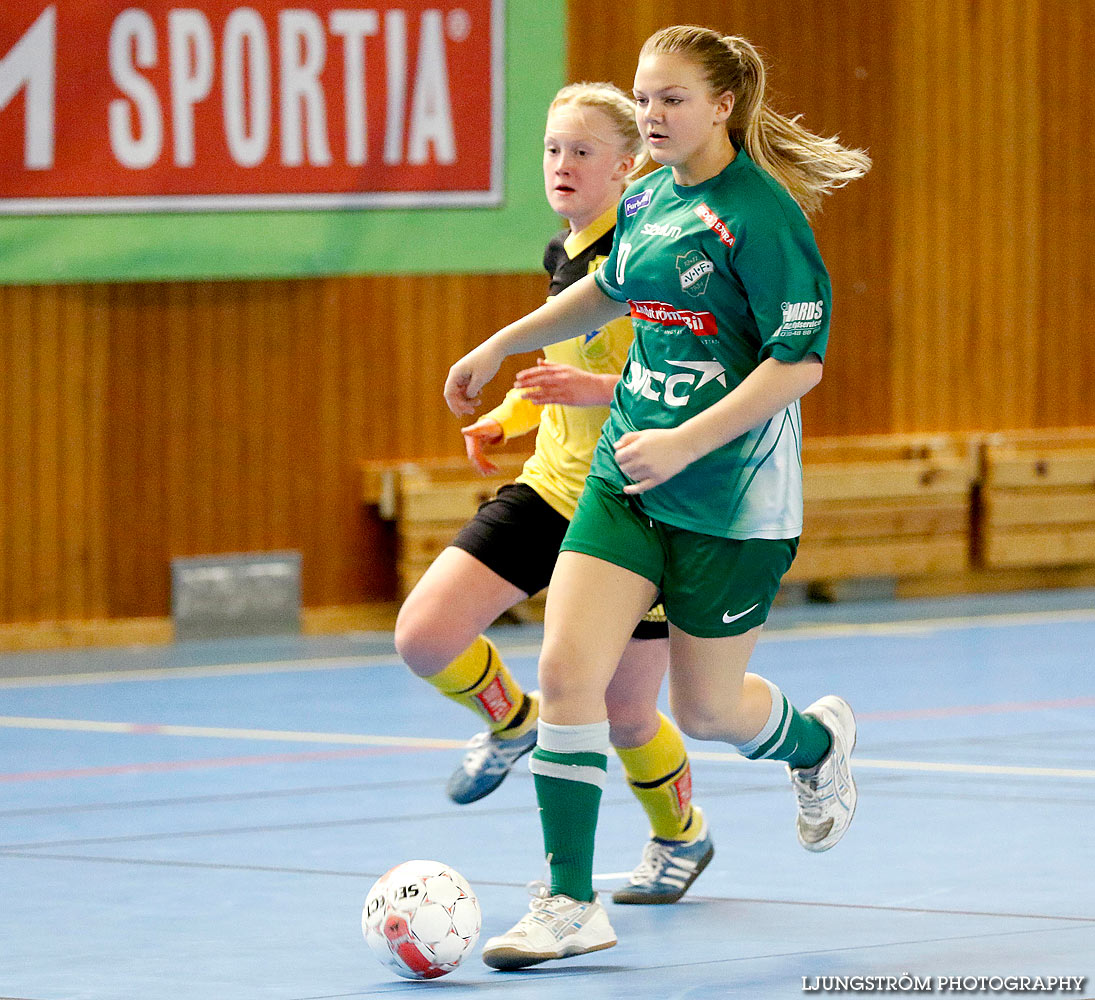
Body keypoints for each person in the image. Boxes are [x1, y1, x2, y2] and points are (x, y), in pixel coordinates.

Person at [443, 26, 872, 970]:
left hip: (728, 499)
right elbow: (605, 289)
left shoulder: (759, 219)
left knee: (708, 710)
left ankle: (812, 742)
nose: (653, 114)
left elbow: (796, 364)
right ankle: (566, 901)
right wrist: (501, 344)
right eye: (644, 98)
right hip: (625, 482)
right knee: (566, 675)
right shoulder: (645, 197)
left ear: (722, 107)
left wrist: (684, 441)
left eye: (673, 98)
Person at [395, 81, 715, 906]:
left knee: (626, 718)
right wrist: (508, 415)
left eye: (582, 151)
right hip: (549, 489)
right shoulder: (562, 255)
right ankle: (512, 719)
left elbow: (694, 386)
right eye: (551, 149)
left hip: (634, 505)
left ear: (627, 166)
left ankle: (681, 835)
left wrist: (596, 391)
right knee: (425, 635)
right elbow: (558, 370)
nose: (562, 165)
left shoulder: (653, 256)